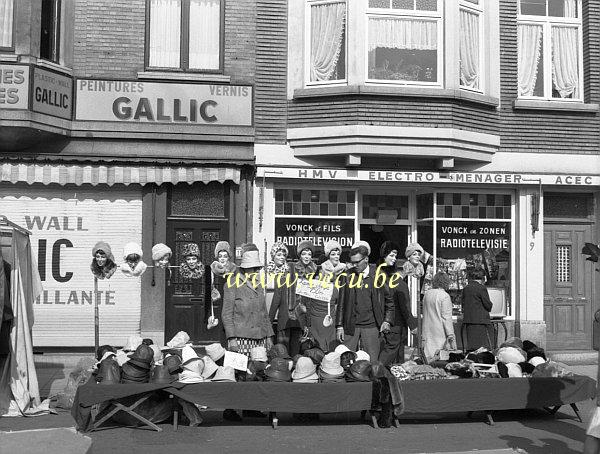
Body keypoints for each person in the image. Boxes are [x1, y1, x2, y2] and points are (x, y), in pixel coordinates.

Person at [335, 241, 394, 361]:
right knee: (346, 361)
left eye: (357, 262)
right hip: (351, 326)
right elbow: (341, 303)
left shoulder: (378, 275)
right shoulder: (346, 276)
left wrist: (387, 321)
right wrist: (339, 326)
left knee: (372, 362)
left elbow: (389, 302)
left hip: (372, 326)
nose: (354, 265)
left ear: (366, 259)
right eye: (352, 262)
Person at [222, 246, 274, 357]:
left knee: (259, 370)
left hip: (260, 338)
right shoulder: (232, 284)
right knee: (242, 372)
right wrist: (231, 339)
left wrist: (269, 336)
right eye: (253, 268)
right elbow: (227, 315)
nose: (256, 271)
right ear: (245, 268)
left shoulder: (259, 285)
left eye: (258, 268)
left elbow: (264, 313)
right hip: (241, 338)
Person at [377, 241, 417, 366]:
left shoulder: (381, 276)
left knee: (394, 356)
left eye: (395, 256)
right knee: (392, 353)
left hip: (386, 323)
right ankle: (378, 371)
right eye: (391, 255)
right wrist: (413, 325)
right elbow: (404, 307)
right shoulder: (399, 284)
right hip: (395, 325)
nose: (394, 259)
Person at [422, 272, 456, 363]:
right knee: (439, 359)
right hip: (439, 332)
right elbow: (446, 318)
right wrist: (450, 335)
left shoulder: (427, 294)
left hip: (427, 330)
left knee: (427, 358)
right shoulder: (444, 296)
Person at [210, 241, 237, 346]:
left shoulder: (234, 270)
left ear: (228, 257)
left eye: (225, 256)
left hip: (230, 301)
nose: (222, 258)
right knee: (219, 328)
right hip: (218, 302)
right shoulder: (213, 269)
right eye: (220, 256)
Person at [461, 268, 493, 351]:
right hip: (480, 321)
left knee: (472, 346)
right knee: (481, 347)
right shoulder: (481, 288)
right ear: (482, 278)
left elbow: (463, 304)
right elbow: (487, 304)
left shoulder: (466, 288)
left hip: (469, 320)